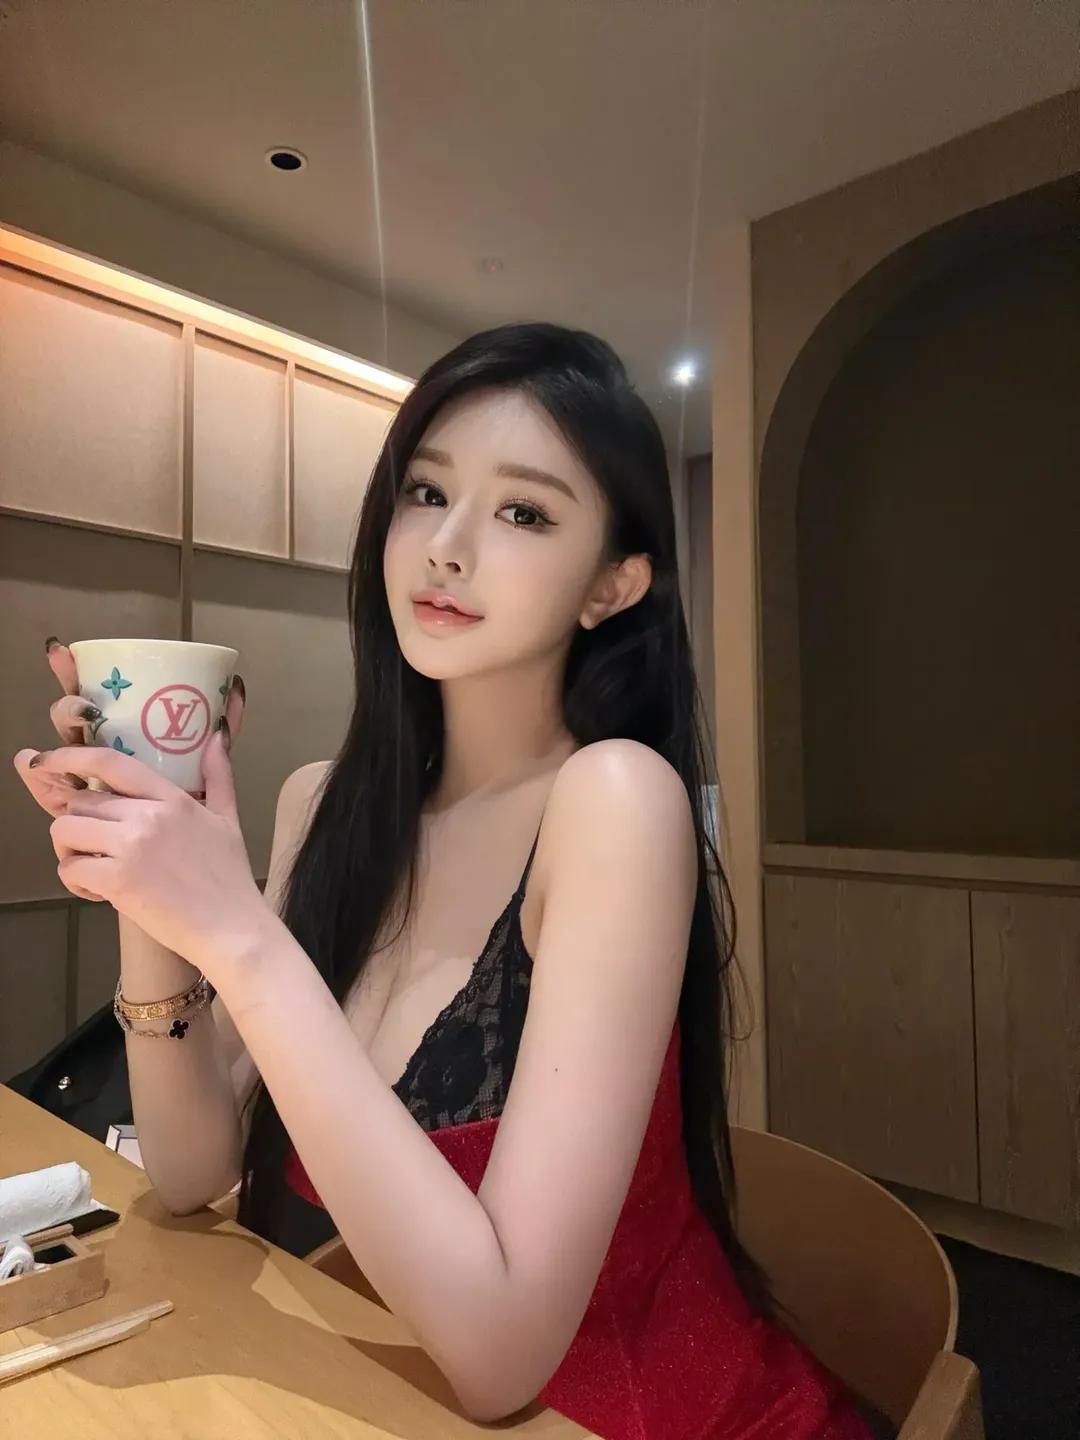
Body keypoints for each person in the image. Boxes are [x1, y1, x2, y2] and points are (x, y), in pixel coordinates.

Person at [16, 325, 892, 1439]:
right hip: (388, 1394)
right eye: (426, 494)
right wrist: (148, 878)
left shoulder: (614, 804)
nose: (447, 546)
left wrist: (236, 933)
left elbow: (502, 1360)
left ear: (611, 584)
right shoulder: (323, 803)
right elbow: (191, 1170)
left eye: (523, 512)